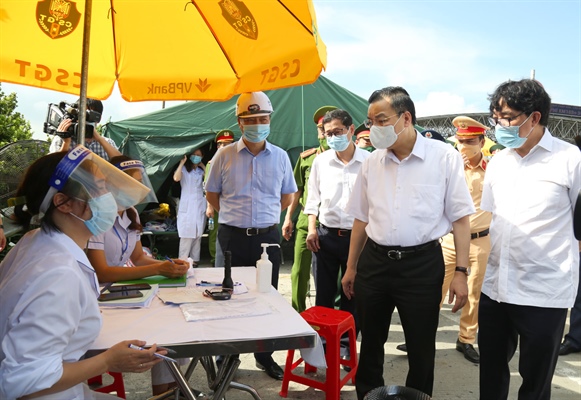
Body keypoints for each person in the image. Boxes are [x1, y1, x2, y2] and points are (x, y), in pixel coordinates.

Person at [0, 146, 164, 399]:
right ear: (63, 203)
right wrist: (108, 361)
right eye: (99, 188)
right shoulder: (58, 275)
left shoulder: (36, 239)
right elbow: (24, 381)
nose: (110, 197)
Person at [341, 86, 474, 399]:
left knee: (420, 345)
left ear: (406, 118)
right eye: (371, 121)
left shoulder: (443, 157)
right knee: (370, 342)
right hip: (374, 263)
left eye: (381, 120)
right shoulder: (372, 162)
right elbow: (361, 218)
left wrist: (461, 272)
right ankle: (368, 395)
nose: (375, 127)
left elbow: (460, 219)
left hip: (421, 265)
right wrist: (351, 267)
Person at [479, 79, 581, 399]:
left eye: (507, 117)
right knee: (491, 372)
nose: (499, 126)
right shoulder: (499, 161)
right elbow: (494, 217)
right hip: (496, 287)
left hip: (544, 292)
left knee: (535, 381)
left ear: (534, 117)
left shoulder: (570, 159)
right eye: (496, 118)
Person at [205, 91, 297, 381]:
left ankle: (264, 355)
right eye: (251, 119)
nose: (258, 124)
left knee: (266, 297)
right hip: (231, 237)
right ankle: (225, 357)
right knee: (226, 297)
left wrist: (263, 219)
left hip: (267, 239)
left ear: (270, 120)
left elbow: (287, 196)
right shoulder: (224, 155)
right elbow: (212, 194)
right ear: (240, 123)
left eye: (263, 119)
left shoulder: (280, 157)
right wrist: (237, 218)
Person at [440, 116, 492, 364]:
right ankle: (422, 333)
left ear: (481, 142)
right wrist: (455, 172)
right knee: (435, 287)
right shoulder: (448, 169)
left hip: (480, 240)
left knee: (473, 293)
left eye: (470, 141)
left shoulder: (492, 171)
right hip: (450, 240)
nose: (463, 146)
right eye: (460, 141)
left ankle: (466, 339)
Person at [282, 105, 335, 312]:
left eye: (330, 130)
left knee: (332, 274)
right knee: (299, 271)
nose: (325, 134)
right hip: (307, 220)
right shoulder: (307, 158)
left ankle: (333, 314)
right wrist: (289, 218)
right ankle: (298, 312)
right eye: (322, 130)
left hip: (333, 223)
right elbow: (297, 190)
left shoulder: (346, 159)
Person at [49, 98, 119, 161]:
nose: (85, 119)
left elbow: (121, 163)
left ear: (99, 118)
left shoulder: (109, 143)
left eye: (89, 115)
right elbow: (51, 166)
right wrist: (66, 143)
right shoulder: (61, 139)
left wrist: (100, 139)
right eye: (81, 114)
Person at [205, 129, 235, 267]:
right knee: (216, 233)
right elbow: (208, 188)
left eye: (229, 144)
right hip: (217, 203)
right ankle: (215, 260)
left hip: (233, 205)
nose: (226, 146)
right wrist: (210, 207)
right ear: (218, 146)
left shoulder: (237, 162)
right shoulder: (212, 164)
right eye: (223, 144)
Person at [174, 148, 206, 265]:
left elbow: (210, 179)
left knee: (198, 234)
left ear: (202, 157)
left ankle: (194, 260)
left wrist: (203, 166)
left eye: (198, 155)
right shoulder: (184, 169)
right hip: (187, 206)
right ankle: (183, 260)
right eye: (194, 154)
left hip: (199, 205)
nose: (195, 157)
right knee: (186, 235)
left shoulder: (200, 172)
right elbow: (176, 178)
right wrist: (181, 163)